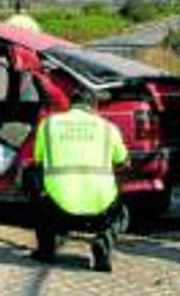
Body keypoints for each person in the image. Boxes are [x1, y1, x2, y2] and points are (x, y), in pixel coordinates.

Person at [28, 88, 129, 272]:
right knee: (122, 213)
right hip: (100, 214)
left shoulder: (49, 124)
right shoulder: (109, 128)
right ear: (94, 107)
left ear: (71, 104)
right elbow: (123, 162)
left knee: (32, 180)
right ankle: (103, 245)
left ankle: (46, 249)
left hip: (57, 212)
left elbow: (38, 159)